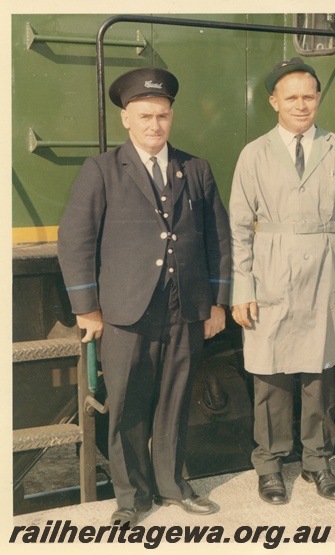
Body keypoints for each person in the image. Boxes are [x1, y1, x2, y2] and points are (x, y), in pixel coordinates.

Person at [57, 68, 232, 526]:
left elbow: (219, 238)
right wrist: (87, 308)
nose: (155, 125)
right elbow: (75, 239)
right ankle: (131, 497)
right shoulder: (101, 169)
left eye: (162, 115)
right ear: (126, 120)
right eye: (145, 116)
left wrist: (218, 303)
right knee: (129, 404)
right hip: (126, 311)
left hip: (185, 307)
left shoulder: (195, 168)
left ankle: (173, 486)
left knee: (176, 400)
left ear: (171, 117)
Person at [229, 58, 335, 504]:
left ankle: (318, 461)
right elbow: (237, 227)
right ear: (274, 102)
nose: (300, 104)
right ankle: (270, 466)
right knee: (270, 375)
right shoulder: (253, 154)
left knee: (319, 376)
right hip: (271, 271)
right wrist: (243, 288)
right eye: (290, 97)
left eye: (308, 96)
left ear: (318, 99)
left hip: (327, 274)